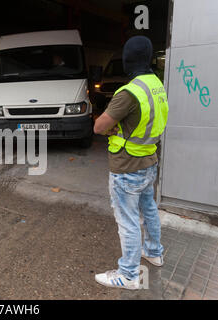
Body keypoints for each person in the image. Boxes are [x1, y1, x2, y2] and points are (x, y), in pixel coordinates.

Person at [93, 36, 169, 290]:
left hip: (127, 168)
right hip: (149, 161)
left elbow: (99, 126)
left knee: (127, 221)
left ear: (128, 59)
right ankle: (154, 253)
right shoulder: (156, 84)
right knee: (148, 210)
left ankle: (128, 275)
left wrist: (113, 128)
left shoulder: (129, 92)